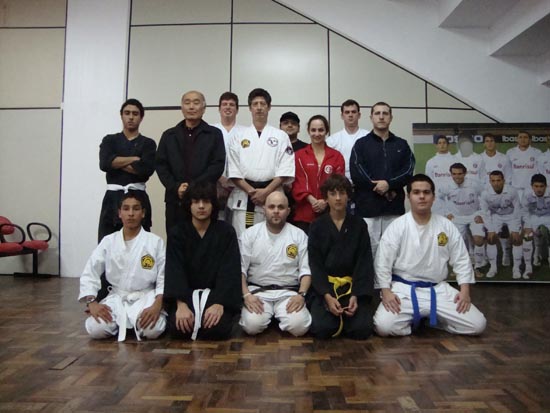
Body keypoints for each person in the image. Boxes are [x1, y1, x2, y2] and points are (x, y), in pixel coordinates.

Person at [373, 174, 486, 337]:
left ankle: (437, 321)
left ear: (433, 197)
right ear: (408, 197)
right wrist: (386, 292)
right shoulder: (397, 227)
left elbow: (461, 259)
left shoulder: (446, 226)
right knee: (384, 327)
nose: (422, 196)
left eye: (426, 192)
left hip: (438, 290)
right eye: (416, 192)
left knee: (477, 325)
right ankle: (415, 320)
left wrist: (464, 291)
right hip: (404, 291)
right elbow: (382, 262)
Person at [78, 192, 166, 341]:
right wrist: (92, 303)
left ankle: (131, 323)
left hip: (145, 298)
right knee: (96, 329)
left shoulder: (155, 242)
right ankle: (122, 323)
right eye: (126, 209)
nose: (131, 214)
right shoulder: (109, 241)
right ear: (119, 213)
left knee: (153, 329)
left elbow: (163, 276)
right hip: (117, 298)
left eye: (136, 209)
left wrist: (157, 305)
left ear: (143, 213)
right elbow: (90, 271)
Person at [163, 182, 241, 340]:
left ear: (213, 205)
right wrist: (181, 305)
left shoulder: (226, 232)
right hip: (186, 296)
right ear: (189, 205)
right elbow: (175, 270)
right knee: (179, 329)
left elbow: (229, 270)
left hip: (216, 296)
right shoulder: (177, 233)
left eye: (206, 201)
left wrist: (219, 303)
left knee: (216, 329)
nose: (201, 206)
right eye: (196, 201)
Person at [307, 174, 375, 339]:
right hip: (326, 288)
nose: (338, 198)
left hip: (352, 287)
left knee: (361, 330)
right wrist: (327, 296)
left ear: (348, 196)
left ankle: (351, 310)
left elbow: (364, 262)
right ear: (326, 198)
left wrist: (356, 295)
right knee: (322, 329)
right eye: (333, 194)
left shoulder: (359, 225)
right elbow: (315, 264)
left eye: (342, 193)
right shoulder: (317, 226)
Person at [239, 192, 312, 337]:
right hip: (258, 292)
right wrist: (246, 295)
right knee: (251, 326)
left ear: (288, 211)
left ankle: (276, 315)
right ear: (264, 209)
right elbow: (240, 270)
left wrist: (301, 295)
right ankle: (271, 316)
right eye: (271, 207)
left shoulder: (299, 235)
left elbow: (306, 271)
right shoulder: (250, 235)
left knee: (300, 327)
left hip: (288, 293)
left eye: (281, 207)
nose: (276, 211)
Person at [350, 101, 415, 257]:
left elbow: (408, 171)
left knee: (393, 252)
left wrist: (389, 184)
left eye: (385, 113)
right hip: (367, 209)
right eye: (377, 113)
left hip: (393, 208)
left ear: (391, 118)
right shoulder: (361, 144)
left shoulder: (401, 144)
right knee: (367, 252)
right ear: (371, 117)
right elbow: (357, 171)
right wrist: (378, 186)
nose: (381, 117)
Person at [227, 88, 295, 237]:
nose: (259, 107)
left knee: (273, 238)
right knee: (244, 239)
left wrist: (265, 192)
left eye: (262, 104)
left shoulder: (281, 136)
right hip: (245, 198)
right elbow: (233, 170)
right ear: (250, 108)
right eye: (255, 104)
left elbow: (286, 169)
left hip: (273, 197)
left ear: (269, 107)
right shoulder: (238, 136)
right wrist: (251, 192)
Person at [156, 90, 226, 233]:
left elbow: (217, 165)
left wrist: (192, 188)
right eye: (187, 103)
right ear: (182, 108)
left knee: (206, 240)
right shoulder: (169, 135)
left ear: (204, 108)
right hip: (176, 199)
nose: (191, 107)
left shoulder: (214, 134)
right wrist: (176, 187)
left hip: (205, 199)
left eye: (196, 102)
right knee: (176, 239)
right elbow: (161, 165)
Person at [98, 98, 156, 242]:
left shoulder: (148, 143)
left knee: (141, 241)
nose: (131, 117)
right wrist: (134, 159)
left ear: (141, 117)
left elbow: (145, 170)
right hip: (112, 198)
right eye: (127, 113)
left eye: (135, 114)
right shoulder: (109, 140)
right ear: (121, 115)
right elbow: (104, 164)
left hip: (138, 196)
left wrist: (116, 162)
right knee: (108, 240)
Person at [292, 115, 345, 233]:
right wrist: (312, 200)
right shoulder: (299, 156)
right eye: (313, 130)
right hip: (304, 213)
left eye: (321, 130)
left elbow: (339, 183)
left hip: (330, 212)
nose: (317, 134)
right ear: (308, 131)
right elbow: (298, 182)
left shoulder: (336, 156)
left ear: (326, 131)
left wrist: (325, 201)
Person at [438, 163, 486, 272]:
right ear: (451, 174)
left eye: (460, 174)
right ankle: (465, 264)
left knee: (478, 239)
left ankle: (478, 265)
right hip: (457, 217)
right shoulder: (446, 186)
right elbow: (439, 198)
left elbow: (484, 197)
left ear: (465, 173)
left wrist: (481, 213)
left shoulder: (474, 184)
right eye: (454, 174)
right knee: (458, 243)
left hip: (474, 216)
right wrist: (446, 213)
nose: (457, 176)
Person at [479, 171, 526, 279]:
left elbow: (517, 210)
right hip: (496, 216)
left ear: (503, 181)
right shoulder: (485, 194)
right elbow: (485, 213)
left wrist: (515, 229)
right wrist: (490, 230)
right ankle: (493, 268)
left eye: (498, 180)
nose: (496, 183)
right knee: (491, 239)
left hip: (511, 215)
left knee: (516, 239)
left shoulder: (512, 191)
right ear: (490, 181)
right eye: (493, 181)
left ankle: (516, 269)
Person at [326, 99, 369, 180]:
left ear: (359, 115)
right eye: (347, 112)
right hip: (340, 183)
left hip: (365, 182)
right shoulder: (332, 140)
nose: (350, 115)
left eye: (353, 112)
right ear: (342, 116)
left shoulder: (368, 136)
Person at [522, 174, 550, 269]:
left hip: (548, 216)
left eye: (541, 186)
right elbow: (525, 211)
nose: (539, 189)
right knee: (527, 236)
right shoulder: (527, 194)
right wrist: (528, 226)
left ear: (546, 186)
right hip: (533, 216)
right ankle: (531, 262)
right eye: (536, 186)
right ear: (532, 186)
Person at [424, 135, 456, 214]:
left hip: (453, 196)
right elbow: (428, 182)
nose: (442, 145)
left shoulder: (455, 160)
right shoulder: (431, 162)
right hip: (437, 198)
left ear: (448, 145)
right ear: (436, 145)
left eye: (444, 143)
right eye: (439, 143)